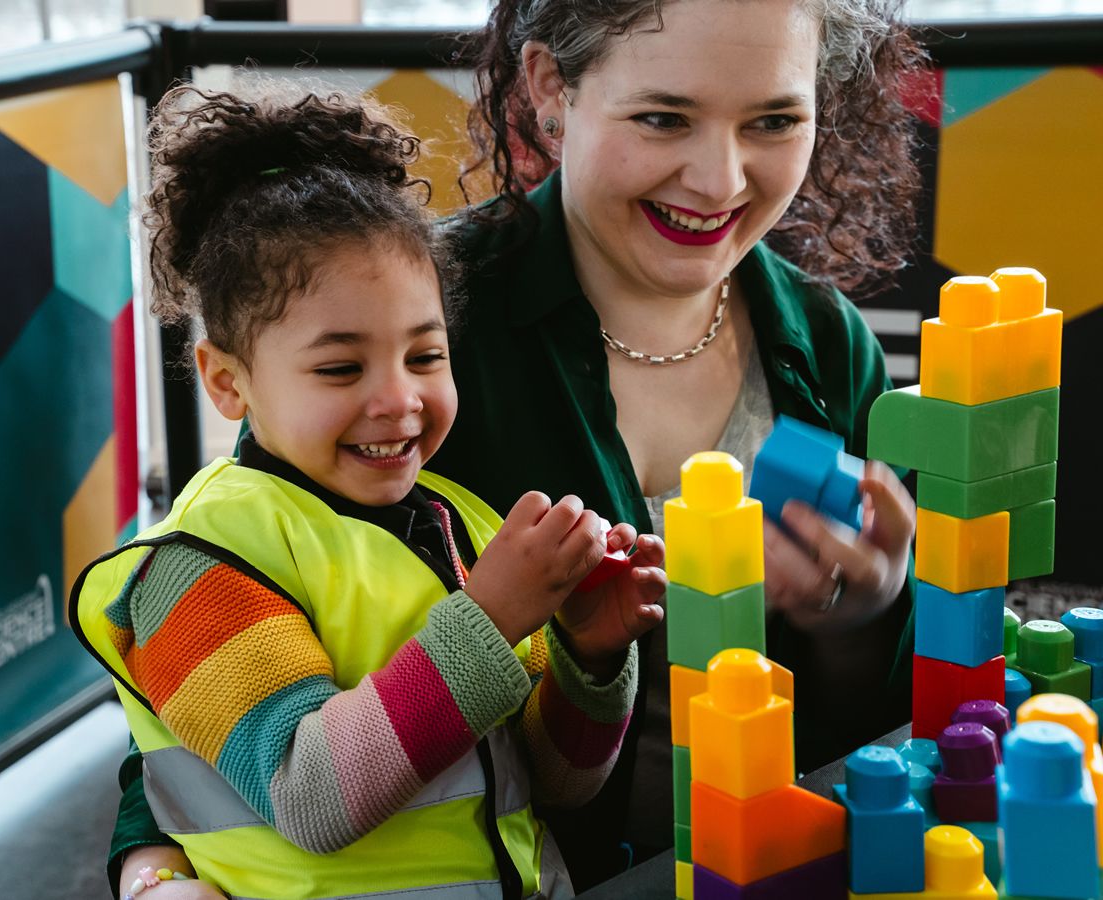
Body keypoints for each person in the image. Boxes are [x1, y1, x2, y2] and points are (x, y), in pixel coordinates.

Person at [108, 0, 927, 891]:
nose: (720, 178)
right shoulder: (407, 331)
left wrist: (864, 612)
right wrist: (150, 870)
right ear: (549, 90)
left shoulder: (827, 343)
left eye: (773, 120)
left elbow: (883, 724)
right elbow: (217, 670)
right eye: (663, 117)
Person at [74, 82, 667, 900]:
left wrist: (588, 659)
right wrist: (491, 619)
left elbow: (554, 785)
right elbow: (311, 795)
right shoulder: (196, 566)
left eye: (425, 356)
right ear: (226, 381)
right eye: (340, 368)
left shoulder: (464, 523)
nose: (400, 400)